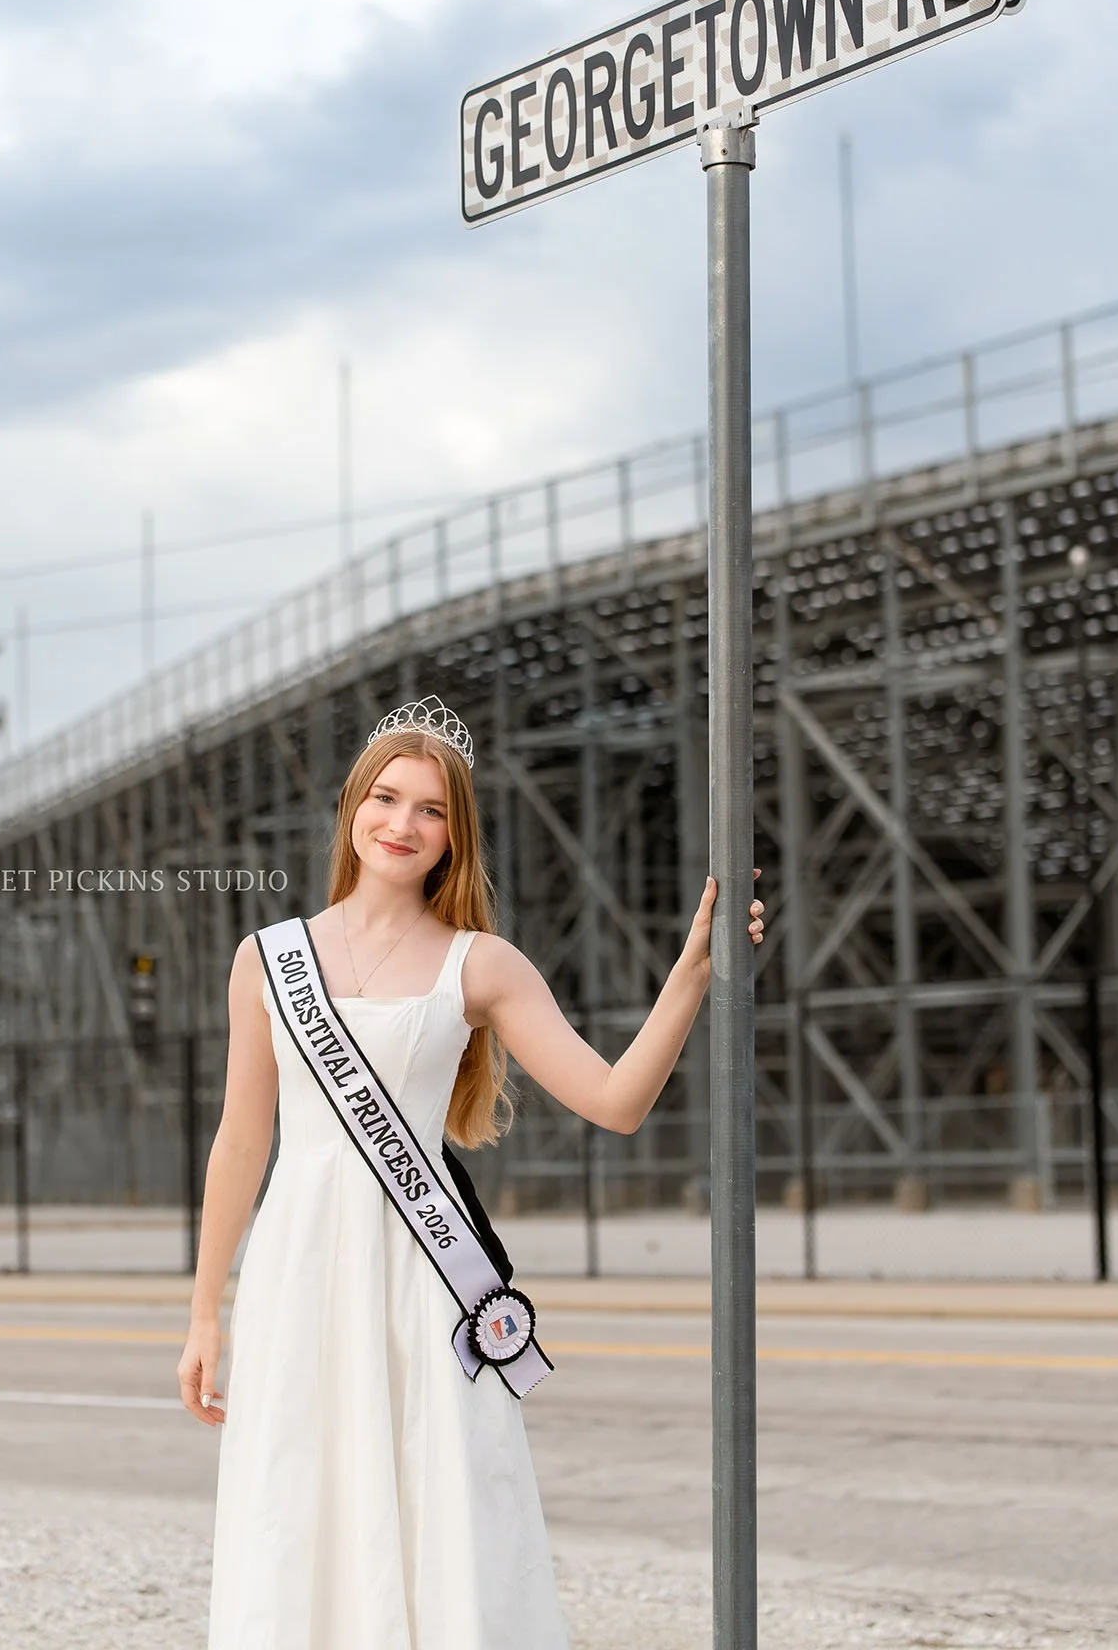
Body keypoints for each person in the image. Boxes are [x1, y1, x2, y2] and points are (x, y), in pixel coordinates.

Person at [178, 695, 764, 1650]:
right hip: (295, 1266)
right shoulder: (265, 960)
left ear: (455, 835)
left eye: (431, 809)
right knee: (298, 1482)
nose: (402, 824)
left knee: (435, 1483)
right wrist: (205, 1313)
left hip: (419, 1271)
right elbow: (241, 1143)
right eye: (387, 797)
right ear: (353, 809)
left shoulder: (478, 965)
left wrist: (692, 972)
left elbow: (615, 1103)